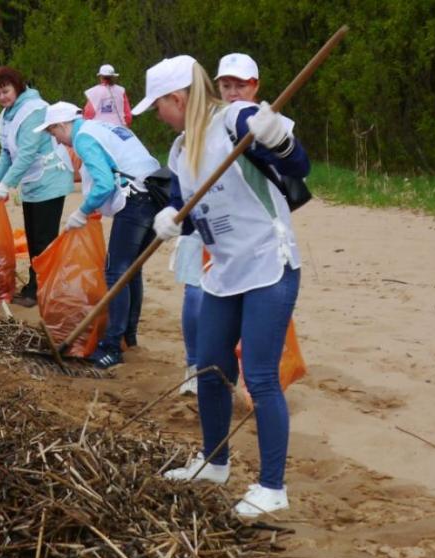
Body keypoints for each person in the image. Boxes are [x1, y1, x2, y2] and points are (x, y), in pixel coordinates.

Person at [134, 55, 310, 517]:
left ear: (177, 98)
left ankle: (272, 487)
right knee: (210, 367)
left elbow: (300, 164)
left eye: (159, 106)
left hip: (269, 264)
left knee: (260, 375)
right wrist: (170, 220)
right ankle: (214, 461)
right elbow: (188, 209)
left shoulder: (236, 119)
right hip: (225, 270)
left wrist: (281, 140)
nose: (159, 115)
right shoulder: (179, 148)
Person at [33, 101, 162, 369]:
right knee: (131, 271)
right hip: (155, 194)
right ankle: (128, 337)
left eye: (52, 132)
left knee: (116, 273)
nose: (55, 139)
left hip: (136, 200)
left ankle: (112, 347)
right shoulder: (100, 127)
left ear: (61, 125)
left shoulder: (83, 137)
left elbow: (103, 183)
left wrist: (82, 211)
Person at [173, 52, 263, 396]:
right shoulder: (205, 124)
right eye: (226, 85)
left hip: (244, 238)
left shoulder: (257, 124)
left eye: (240, 85)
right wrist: (175, 213)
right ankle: (195, 365)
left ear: (255, 87)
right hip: (203, 227)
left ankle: (247, 377)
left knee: (245, 309)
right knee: (195, 296)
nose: (233, 92)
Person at [0, 66, 74, 307]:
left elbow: (27, 153)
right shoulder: (7, 115)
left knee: (43, 239)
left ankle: (41, 290)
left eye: (6, 91)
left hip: (50, 178)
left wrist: (6, 185)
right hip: (32, 182)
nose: (2, 97)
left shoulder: (33, 109)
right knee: (32, 237)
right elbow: (7, 153)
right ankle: (35, 286)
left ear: (17, 87)